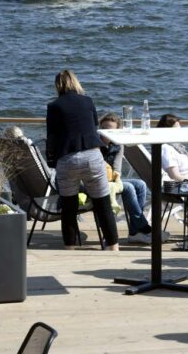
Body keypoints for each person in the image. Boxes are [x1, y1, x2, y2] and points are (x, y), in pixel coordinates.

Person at [46, 69, 119, 251]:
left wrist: (52, 162)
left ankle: (69, 249)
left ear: (58, 85)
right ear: (75, 82)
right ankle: (114, 248)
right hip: (92, 156)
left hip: (67, 159)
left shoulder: (54, 107)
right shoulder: (87, 101)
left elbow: (52, 137)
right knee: (103, 205)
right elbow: (93, 126)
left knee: (69, 208)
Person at [98, 112, 166, 245]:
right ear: (100, 128)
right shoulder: (95, 144)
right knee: (128, 187)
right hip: (98, 180)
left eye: (111, 129)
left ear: (117, 131)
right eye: (105, 128)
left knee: (140, 184)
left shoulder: (118, 145)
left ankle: (135, 231)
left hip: (112, 179)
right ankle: (144, 227)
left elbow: (117, 168)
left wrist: (116, 178)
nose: (107, 132)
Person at [156, 114, 188, 181]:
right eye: (177, 128)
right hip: (182, 185)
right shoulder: (166, 148)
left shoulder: (178, 147)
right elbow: (175, 176)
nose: (180, 130)